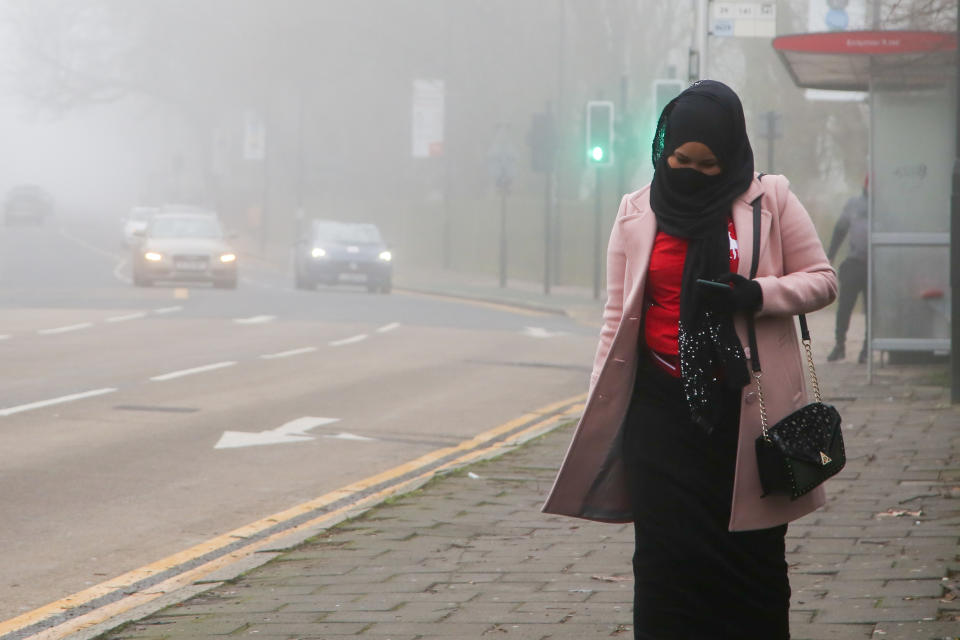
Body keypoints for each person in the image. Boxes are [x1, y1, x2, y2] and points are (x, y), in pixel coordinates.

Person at [542, 81, 837, 639]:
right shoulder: (635, 212)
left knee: (753, 564)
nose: (692, 172)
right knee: (663, 562)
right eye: (680, 159)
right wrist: (600, 406)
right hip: (660, 413)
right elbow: (615, 318)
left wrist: (757, 294)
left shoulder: (769, 200)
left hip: (748, 415)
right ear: (662, 149)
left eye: (708, 164)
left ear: (730, 156)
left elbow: (823, 281)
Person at [826, 179, 868, 363]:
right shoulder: (854, 204)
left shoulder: (886, 205)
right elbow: (840, 230)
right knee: (844, 306)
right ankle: (840, 344)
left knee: (873, 310)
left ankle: (867, 348)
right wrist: (831, 255)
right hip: (855, 262)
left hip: (878, 265)